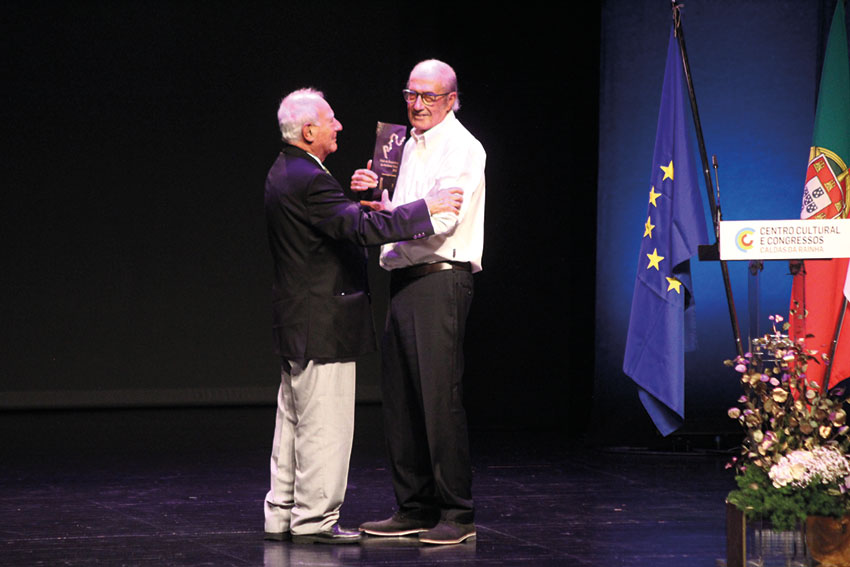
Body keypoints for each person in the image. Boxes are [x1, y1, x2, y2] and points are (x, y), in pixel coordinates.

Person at [263, 88, 463, 545]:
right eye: (330, 120)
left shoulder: (285, 170)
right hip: (323, 321)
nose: (338, 126)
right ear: (308, 131)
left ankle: (282, 512)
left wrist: (360, 207)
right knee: (325, 426)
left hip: (298, 319)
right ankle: (315, 520)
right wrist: (426, 209)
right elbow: (359, 230)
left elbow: (333, 224)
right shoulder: (310, 178)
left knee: (292, 422)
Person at [351, 59, 486, 545]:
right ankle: (414, 506)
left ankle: (457, 513)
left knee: (437, 399)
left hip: (439, 280)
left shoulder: (462, 147)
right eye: (411, 94)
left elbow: (443, 219)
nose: (418, 105)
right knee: (402, 399)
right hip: (405, 279)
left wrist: (402, 218)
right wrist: (379, 205)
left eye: (429, 96)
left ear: (452, 100)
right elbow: (412, 214)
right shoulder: (405, 144)